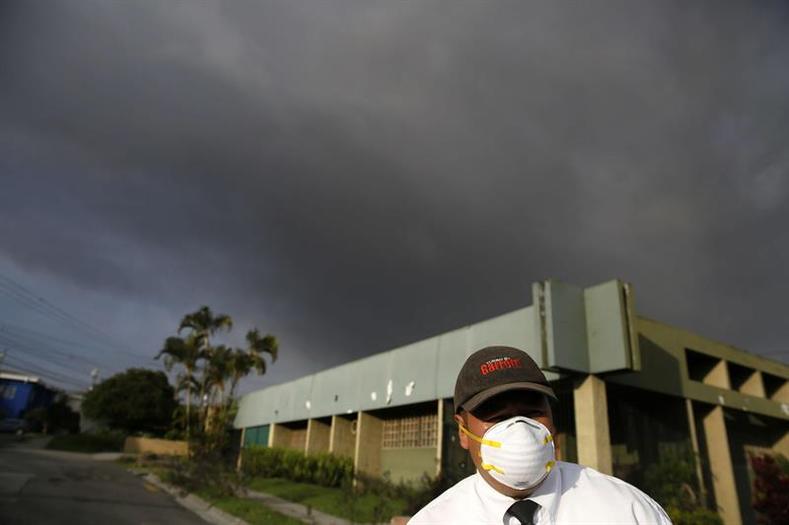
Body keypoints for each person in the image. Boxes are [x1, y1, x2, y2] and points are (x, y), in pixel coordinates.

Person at [409, 346, 671, 525]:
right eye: (497, 417)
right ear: (462, 432)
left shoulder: (628, 511)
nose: (519, 430)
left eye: (532, 412)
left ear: (552, 420)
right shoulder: (434, 520)